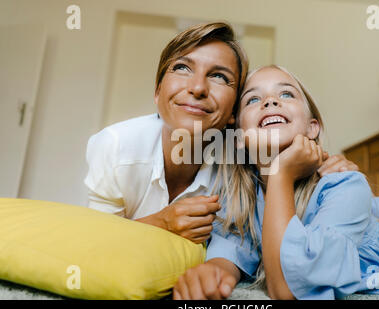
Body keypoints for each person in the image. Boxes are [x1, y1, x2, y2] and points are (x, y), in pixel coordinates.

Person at [172, 65, 379, 300]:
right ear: (239, 135)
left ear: (312, 128)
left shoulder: (344, 185)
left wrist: (280, 173)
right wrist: (216, 271)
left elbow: (288, 290)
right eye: (253, 100)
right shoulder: (243, 199)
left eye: (285, 93)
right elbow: (233, 248)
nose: (270, 101)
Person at [84, 23, 356, 244]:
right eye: (182, 68)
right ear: (157, 92)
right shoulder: (116, 146)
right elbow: (91, 243)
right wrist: (161, 222)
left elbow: (289, 160)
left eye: (219, 77)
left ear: (234, 115)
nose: (198, 87)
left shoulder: (243, 160)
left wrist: (330, 166)